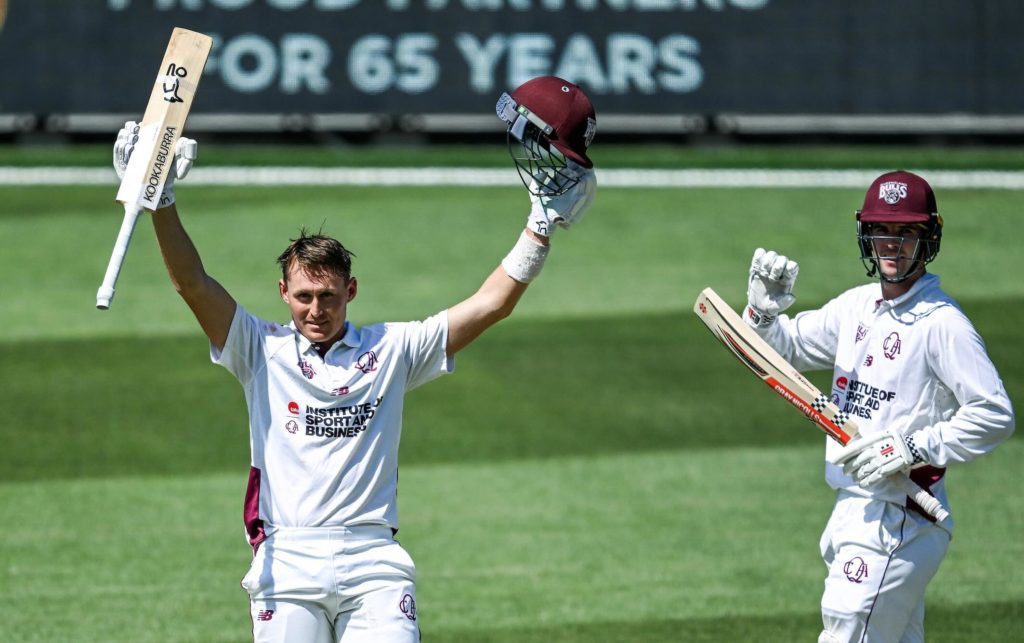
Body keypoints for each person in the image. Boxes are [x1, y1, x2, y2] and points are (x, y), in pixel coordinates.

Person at [112, 75, 597, 642]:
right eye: (303, 297)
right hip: (287, 561)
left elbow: (491, 305)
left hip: (374, 562)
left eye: (328, 296)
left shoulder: (392, 350)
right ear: (283, 294)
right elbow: (193, 284)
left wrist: (539, 229)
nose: (316, 309)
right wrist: (161, 200)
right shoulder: (258, 349)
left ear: (351, 292)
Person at [743, 170, 1014, 643]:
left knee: (848, 635)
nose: (892, 244)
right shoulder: (857, 306)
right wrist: (764, 314)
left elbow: (994, 414)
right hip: (854, 506)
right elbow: (783, 351)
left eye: (907, 233)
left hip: (901, 514)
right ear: (866, 234)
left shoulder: (942, 324)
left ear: (928, 239)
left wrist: (912, 446)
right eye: (882, 231)